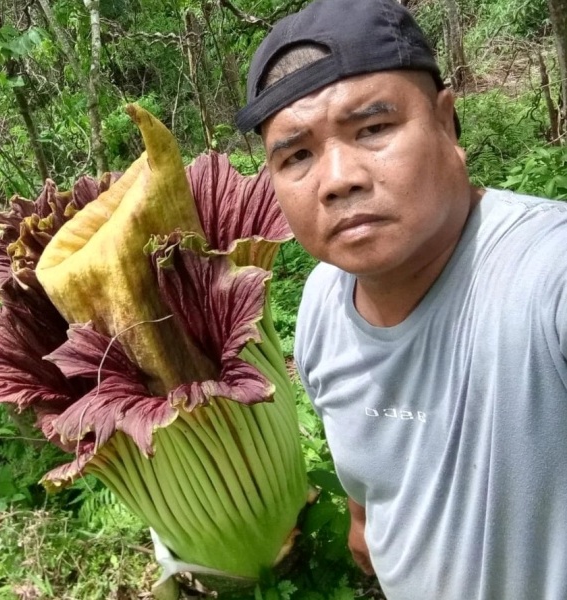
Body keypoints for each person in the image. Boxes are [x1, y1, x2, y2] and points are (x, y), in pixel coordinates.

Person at [235, 0, 567, 598]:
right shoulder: (319, 304)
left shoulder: (545, 275)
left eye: (373, 128)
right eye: (298, 155)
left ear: (446, 123)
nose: (338, 178)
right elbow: (366, 475)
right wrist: (364, 521)